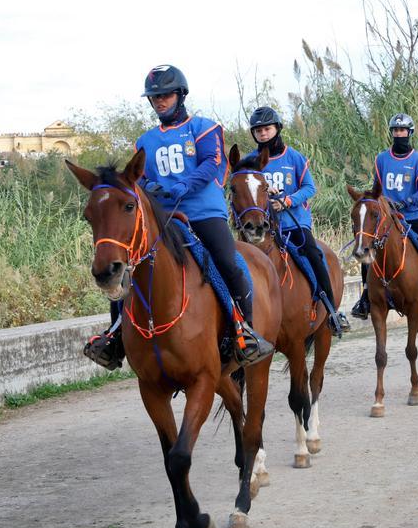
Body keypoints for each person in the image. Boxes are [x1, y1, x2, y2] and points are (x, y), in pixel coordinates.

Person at [84, 64, 275, 370]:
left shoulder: (205, 128)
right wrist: (148, 186)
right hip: (163, 218)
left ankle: (245, 332)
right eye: (155, 97)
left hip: (204, 213)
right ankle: (114, 337)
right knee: (128, 265)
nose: (160, 101)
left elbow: (213, 161)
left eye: (166, 95)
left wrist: (183, 185)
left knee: (229, 263)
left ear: (180, 95)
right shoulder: (145, 141)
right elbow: (135, 180)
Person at [244, 106, 350, 337]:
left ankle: (332, 310)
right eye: (258, 131)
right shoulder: (250, 161)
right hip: (264, 228)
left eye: (267, 129)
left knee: (313, 254)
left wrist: (287, 201)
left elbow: (309, 187)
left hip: (294, 222)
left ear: (277, 129)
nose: (263, 134)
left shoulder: (293, 157)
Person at [351, 113, 418, 320]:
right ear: (391, 133)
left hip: (414, 213)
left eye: (402, 131)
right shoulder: (382, 159)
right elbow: (377, 188)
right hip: (388, 215)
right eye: (395, 130)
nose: (398, 134)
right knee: (367, 246)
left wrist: (405, 202)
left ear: (409, 133)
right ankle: (365, 296)